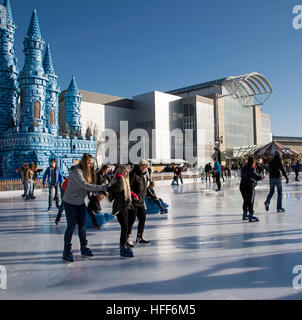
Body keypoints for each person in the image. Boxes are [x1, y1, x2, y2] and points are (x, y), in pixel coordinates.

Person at [62, 153, 108, 262]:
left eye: (92, 164)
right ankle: (66, 250)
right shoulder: (76, 172)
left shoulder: (87, 172)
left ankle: (84, 247)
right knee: (71, 226)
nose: (91, 166)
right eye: (89, 163)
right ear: (84, 162)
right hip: (70, 203)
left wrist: (101, 191)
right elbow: (85, 185)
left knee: (82, 226)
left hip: (79, 202)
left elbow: (89, 188)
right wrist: (103, 187)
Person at [108, 165, 137, 258]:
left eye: (127, 172)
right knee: (124, 227)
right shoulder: (119, 180)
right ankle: (122, 247)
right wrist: (120, 178)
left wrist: (132, 194)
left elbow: (125, 189)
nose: (126, 173)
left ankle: (124, 245)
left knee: (126, 226)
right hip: (120, 207)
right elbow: (118, 189)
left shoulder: (125, 180)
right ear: (120, 172)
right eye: (124, 172)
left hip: (126, 206)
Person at [128, 160, 150, 246]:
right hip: (133, 202)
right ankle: (128, 237)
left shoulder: (143, 175)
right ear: (140, 166)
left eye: (146, 168)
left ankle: (139, 237)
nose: (146, 169)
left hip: (141, 201)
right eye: (145, 167)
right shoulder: (133, 174)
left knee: (143, 218)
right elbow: (128, 186)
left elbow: (144, 187)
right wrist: (133, 194)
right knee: (131, 220)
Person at [240, 157, 264, 222]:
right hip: (249, 186)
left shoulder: (243, 168)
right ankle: (250, 216)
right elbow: (254, 176)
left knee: (245, 200)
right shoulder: (251, 168)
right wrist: (261, 178)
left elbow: (242, 175)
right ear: (253, 162)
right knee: (250, 201)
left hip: (242, 186)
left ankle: (244, 215)